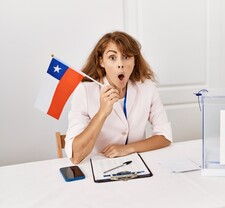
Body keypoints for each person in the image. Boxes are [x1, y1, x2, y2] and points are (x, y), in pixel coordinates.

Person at [65, 31, 172, 164]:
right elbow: (75, 156)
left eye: (126, 57)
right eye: (112, 57)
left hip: (136, 165)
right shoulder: (84, 91)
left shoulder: (147, 87)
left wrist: (128, 148)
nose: (120, 64)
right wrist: (102, 113)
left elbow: (165, 136)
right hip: (98, 167)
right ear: (101, 61)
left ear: (134, 61)